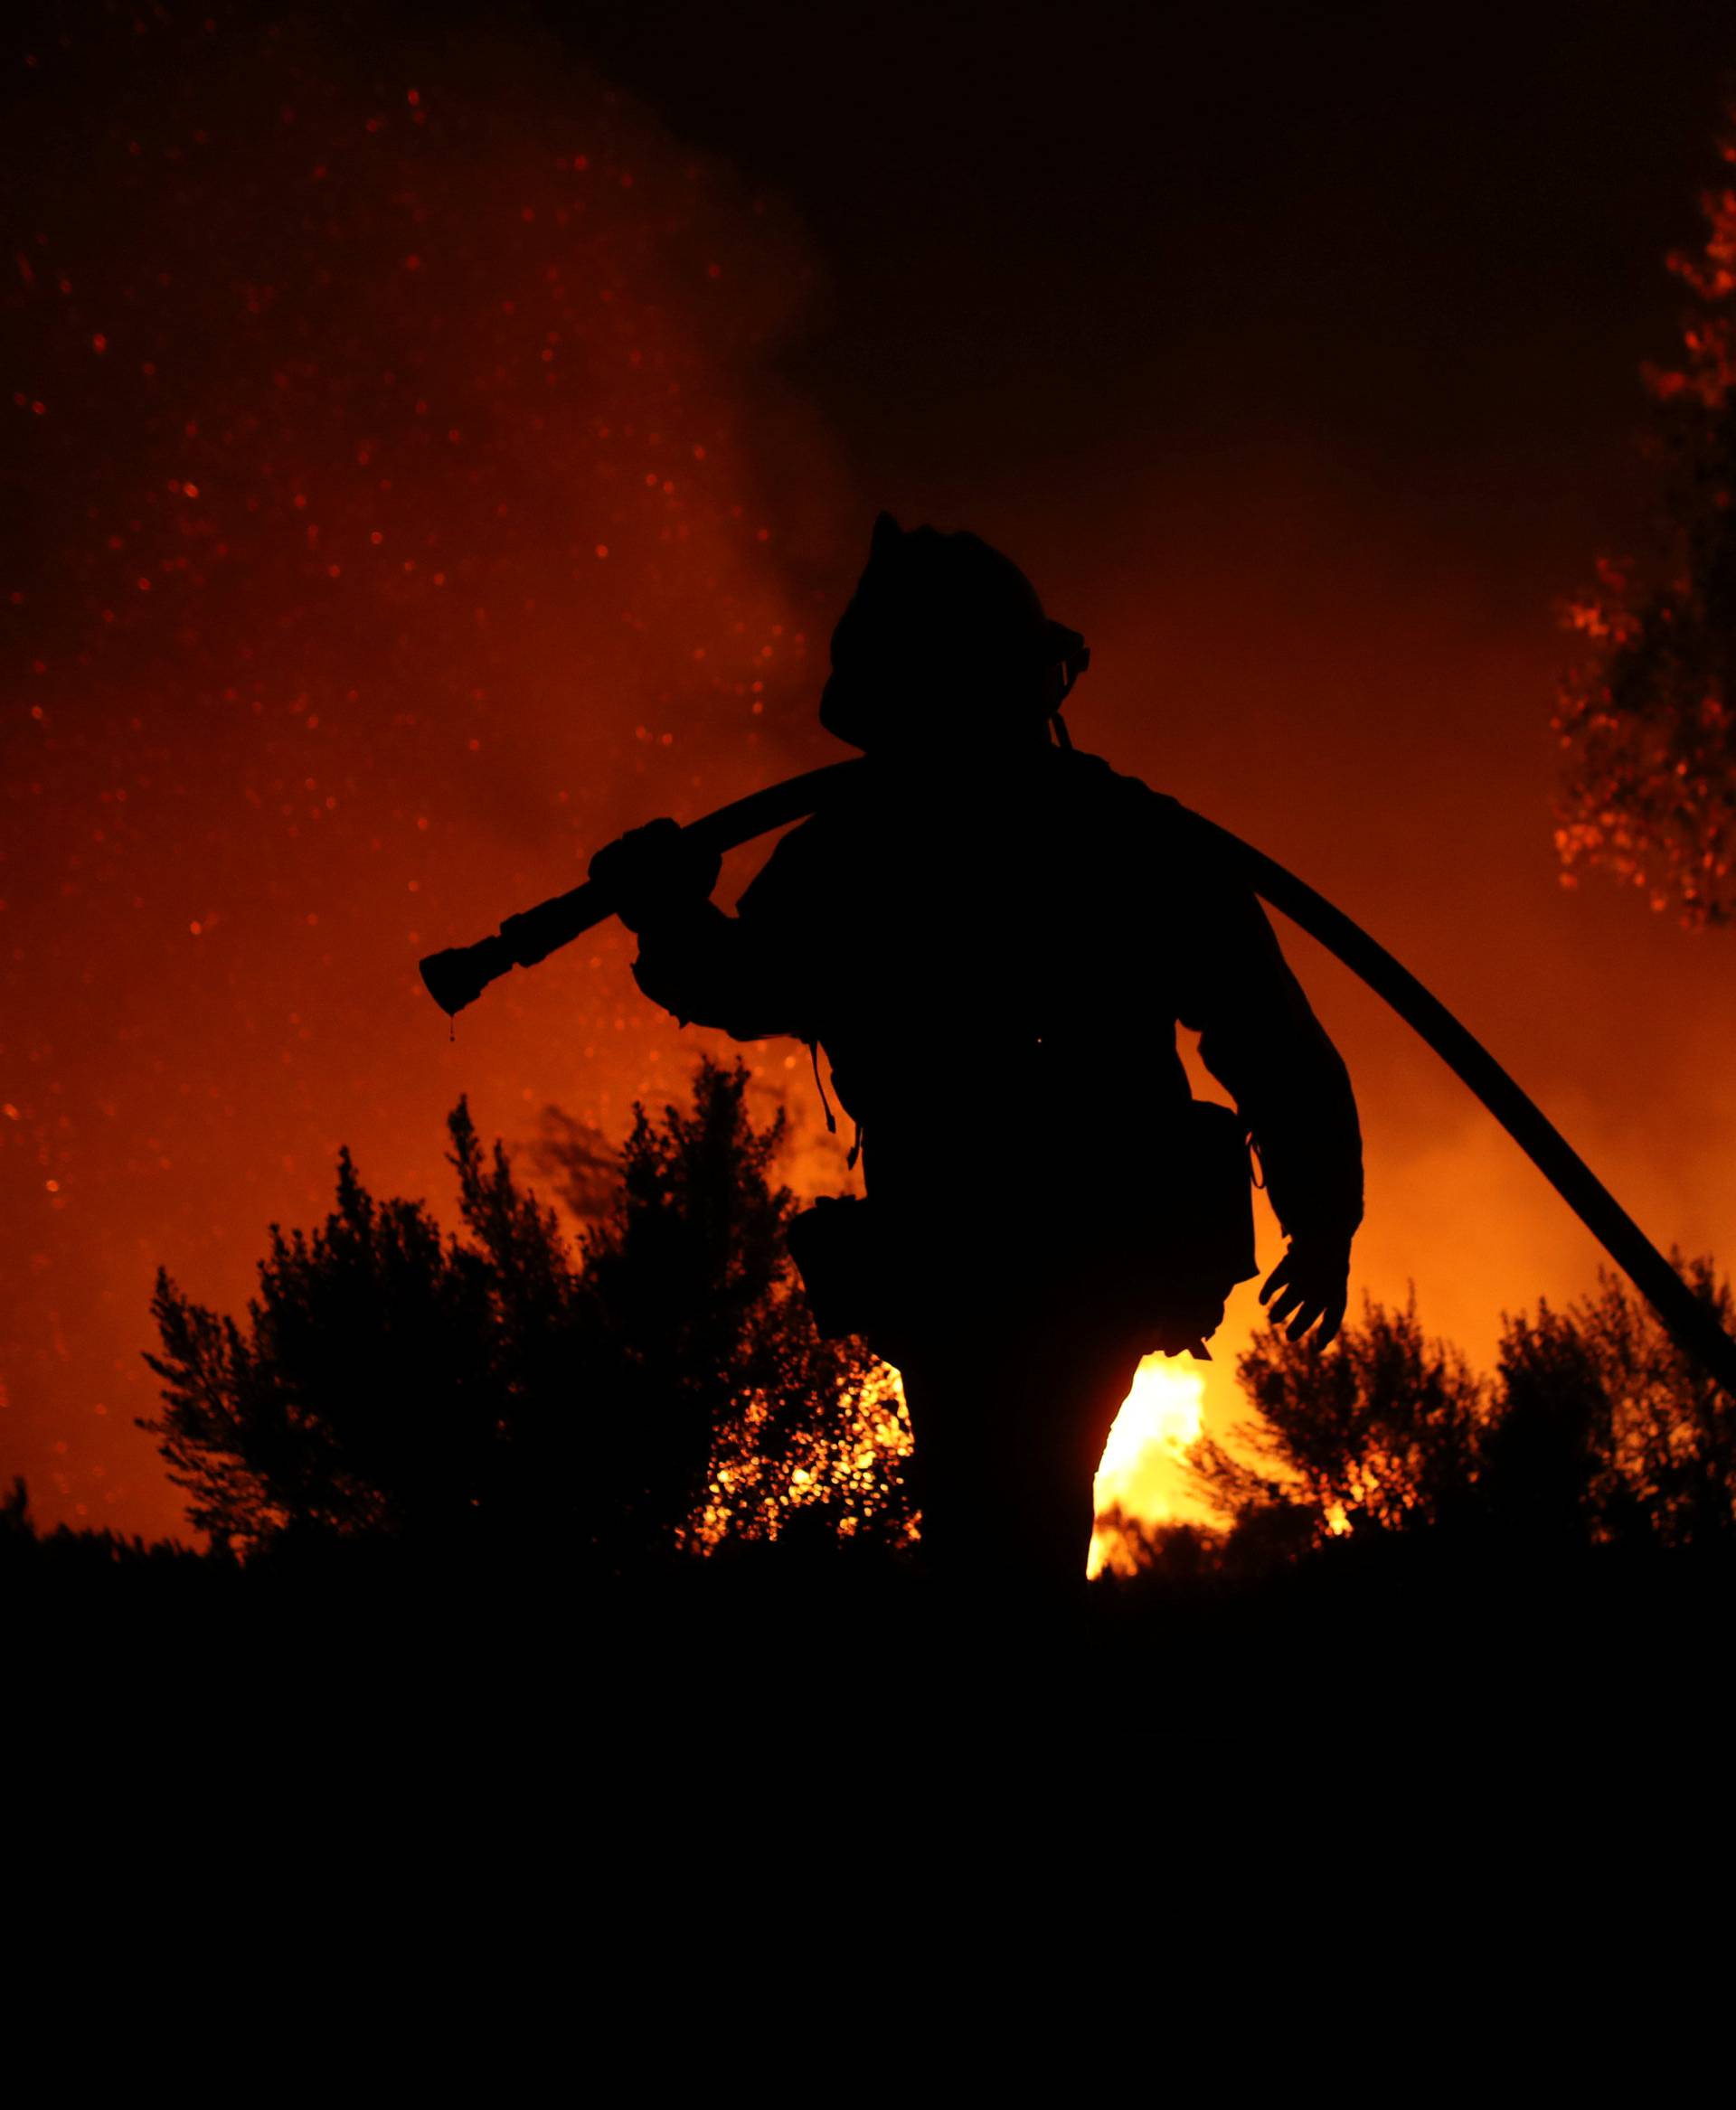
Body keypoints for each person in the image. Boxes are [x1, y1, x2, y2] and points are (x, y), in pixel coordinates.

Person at [588, 513, 1363, 1585]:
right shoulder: (1089, 834)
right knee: (1011, 1521)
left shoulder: (882, 849)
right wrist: (669, 915)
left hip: (1024, 1250)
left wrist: (1323, 1213)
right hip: (1031, 1251)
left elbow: (1261, 1024)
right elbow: (1265, 1027)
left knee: (1001, 1517)